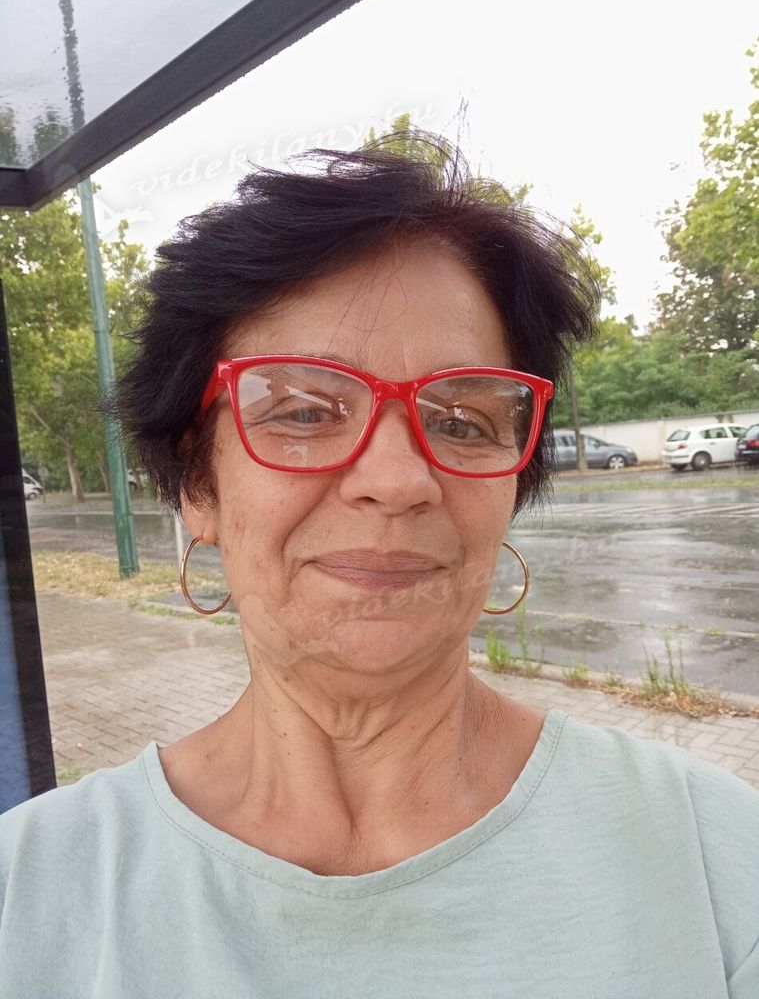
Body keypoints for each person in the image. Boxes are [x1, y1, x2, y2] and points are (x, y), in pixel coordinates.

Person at [0, 132, 757, 998]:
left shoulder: (715, 862)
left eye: (462, 422)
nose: (398, 481)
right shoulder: (31, 891)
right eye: (302, 411)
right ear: (198, 485)